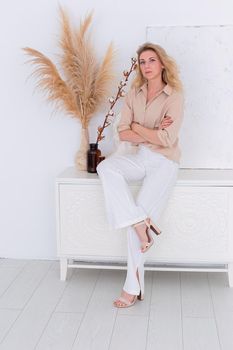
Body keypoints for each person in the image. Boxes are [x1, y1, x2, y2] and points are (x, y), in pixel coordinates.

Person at [97, 42, 184, 308]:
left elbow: (168, 140)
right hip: (141, 157)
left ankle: (131, 288)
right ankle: (139, 223)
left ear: (162, 64)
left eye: (151, 60)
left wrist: (138, 126)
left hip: (165, 163)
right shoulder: (134, 93)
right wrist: (151, 131)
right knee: (106, 167)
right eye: (142, 62)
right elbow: (122, 132)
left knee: (136, 220)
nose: (146, 66)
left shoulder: (175, 96)